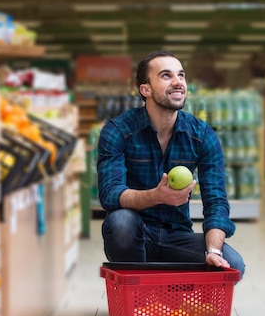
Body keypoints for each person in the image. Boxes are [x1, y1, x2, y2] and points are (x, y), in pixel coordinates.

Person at [96, 50, 245, 276]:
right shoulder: (118, 131)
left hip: (177, 235)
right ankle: (139, 296)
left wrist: (213, 249)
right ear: (145, 89)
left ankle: (173, 298)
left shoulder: (202, 135)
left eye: (181, 75)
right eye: (166, 76)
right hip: (137, 232)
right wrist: (156, 196)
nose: (178, 82)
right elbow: (110, 194)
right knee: (121, 222)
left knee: (232, 264)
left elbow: (216, 202)